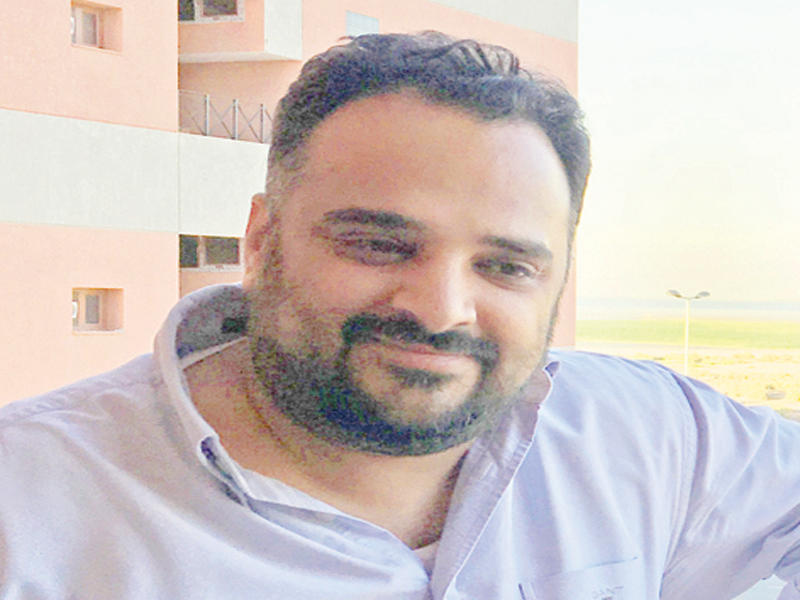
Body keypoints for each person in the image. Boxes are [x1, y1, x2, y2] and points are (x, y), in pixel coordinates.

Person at [1, 32, 799, 600]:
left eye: (505, 266)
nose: (441, 309)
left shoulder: (645, 434)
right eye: (380, 245)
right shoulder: (28, 514)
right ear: (261, 239)